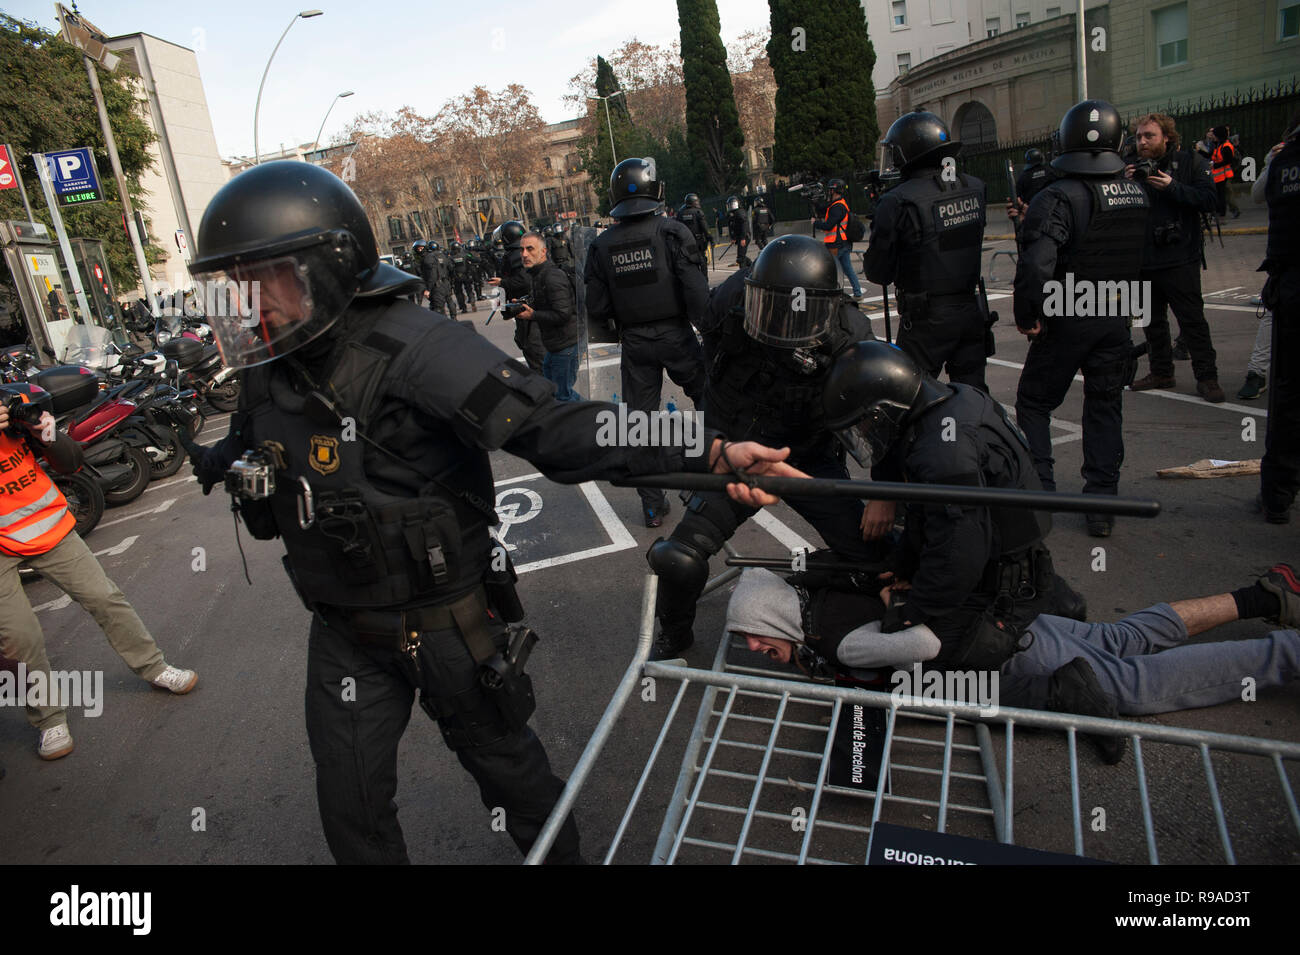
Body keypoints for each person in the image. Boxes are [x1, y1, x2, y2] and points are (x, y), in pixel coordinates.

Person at [184, 161, 794, 865]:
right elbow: (247, 444)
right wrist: (226, 466)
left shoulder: (416, 346)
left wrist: (706, 449)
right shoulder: (270, 364)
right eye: (235, 285)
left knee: (514, 780)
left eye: (265, 280)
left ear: (330, 265)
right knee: (350, 809)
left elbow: (556, 427)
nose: (249, 303)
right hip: (344, 630)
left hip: (445, 623)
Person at [725, 561, 1300, 764]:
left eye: (754, 636)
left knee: (1136, 684)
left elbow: (923, 647)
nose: (752, 648)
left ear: (776, 621)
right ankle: (1263, 597)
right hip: (1016, 624)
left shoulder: (843, 643)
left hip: (1017, 665)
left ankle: (1288, 655)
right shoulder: (825, 598)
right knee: (1123, 636)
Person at [647, 236, 883, 660]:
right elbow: (708, 370)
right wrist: (716, 444)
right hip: (741, 452)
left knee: (873, 561)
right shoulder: (730, 299)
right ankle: (675, 631)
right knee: (679, 557)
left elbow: (883, 420)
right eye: (770, 313)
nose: (780, 333)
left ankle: (810, 589)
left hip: (807, 455)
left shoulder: (850, 335)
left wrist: (886, 498)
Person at [0, 384, 197, 761]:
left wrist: (47, 435)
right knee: (19, 639)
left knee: (105, 598)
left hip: (50, 528)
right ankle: (48, 719)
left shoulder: (18, 405)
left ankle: (154, 667)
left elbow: (70, 463)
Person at [1010, 99, 1150, 538]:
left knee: (1034, 403)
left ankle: (1043, 495)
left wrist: (1028, 314)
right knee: (1105, 406)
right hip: (1115, 312)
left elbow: (1037, 265)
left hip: (1069, 313)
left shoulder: (1057, 196)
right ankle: (1100, 506)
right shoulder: (1136, 192)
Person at [584, 157, 709, 528]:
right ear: (656, 190)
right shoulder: (672, 233)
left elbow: (596, 305)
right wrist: (708, 330)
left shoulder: (601, 245)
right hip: (676, 334)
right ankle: (711, 486)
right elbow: (697, 294)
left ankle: (653, 505)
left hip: (634, 341)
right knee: (707, 400)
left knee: (640, 421)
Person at [864, 112, 989, 389]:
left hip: (925, 321)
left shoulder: (897, 200)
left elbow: (877, 272)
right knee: (974, 396)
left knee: (909, 395)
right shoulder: (975, 187)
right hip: (970, 310)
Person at [1122, 114, 1224, 403]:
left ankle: (1207, 377)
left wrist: (1172, 187)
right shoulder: (1129, 168)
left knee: (1192, 322)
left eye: (1149, 136)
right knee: (1152, 322)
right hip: (1143, 260)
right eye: (1139, 136)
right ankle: (1161, 372)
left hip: (1180, 259)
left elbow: (1209, 200)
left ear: (1166, 137)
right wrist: (1125, 185)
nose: (1142, 141)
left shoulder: (1190, 163)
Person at [1257, 114, 1300, 524]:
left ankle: (1277, 496)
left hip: (1290, 287)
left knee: (1287, 396)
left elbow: (1261, 194)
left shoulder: (1285, 163)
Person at [517, 231, 581, 402]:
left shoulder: (552, 276)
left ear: (543, 251)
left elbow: (563, 313)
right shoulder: (538, 275)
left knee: (562, 395)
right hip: (555, 346)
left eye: (530, 249)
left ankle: (594, 419)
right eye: (522, 250)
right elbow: (548, 304)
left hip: (566, 345)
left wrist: (533, 315)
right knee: (555, 393)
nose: (524, 254)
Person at [488, 221, 544, 373]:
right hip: (524, 308)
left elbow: (525, 280)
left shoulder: (517, 255)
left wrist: (503, 282)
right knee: (526, 343)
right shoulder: (516, 253)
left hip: (528, 308)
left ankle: (549, 390)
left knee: (534, 349)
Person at [812, 179, 863, 299]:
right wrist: (815, 203)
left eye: (830, 190)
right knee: (847, 269)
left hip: (837, 244)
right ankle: (857, 293)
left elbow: (828, 225)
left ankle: (835, 294)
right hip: (842, 243)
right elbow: (823, 209)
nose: (828, 192)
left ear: (835, 191)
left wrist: (815, 223)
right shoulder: (838, 204)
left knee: (831, 270)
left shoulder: (838, 207)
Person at [1199, 126, 1241, 219]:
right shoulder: (1219, 144)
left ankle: (1224, 212)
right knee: (1220, 194)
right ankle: (1221, 212)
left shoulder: (1225, 146)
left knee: (1223, 194)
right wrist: (1201, 152)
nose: (1212, 136)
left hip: (1224, 174)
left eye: (1214, 134)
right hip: (1219, 175)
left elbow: (1228, 160)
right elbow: (1211, 155)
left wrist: (1215, 165)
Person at [677, 194, 712, 276]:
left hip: (687, 243)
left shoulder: (680, 213)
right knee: (702, 261)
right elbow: (705, 228)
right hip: (698, 242)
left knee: (692, 262)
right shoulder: (698, 212)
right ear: (694, 202)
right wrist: (710, 238)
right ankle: (704, 280)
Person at [447, 241, 476, 314]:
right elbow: (473, 259)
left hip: (457, 277)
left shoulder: (450, 258)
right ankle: (472, 300)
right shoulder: (465, 255)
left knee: (459, 292)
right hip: (466, 275)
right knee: (469, 289)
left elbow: (450, 268)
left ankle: (463, 308)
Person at [726, 196, 752, 268]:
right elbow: (732, 227)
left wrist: (743, 238)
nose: (730, 206)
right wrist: (733, 238)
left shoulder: (740, 212)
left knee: (740, 258)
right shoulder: (731, 214)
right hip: (739, 237)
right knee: (742, 256)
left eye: (732, 204)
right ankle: (752, 265)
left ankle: (742, 273)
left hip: (744, 237)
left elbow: (744, 225)